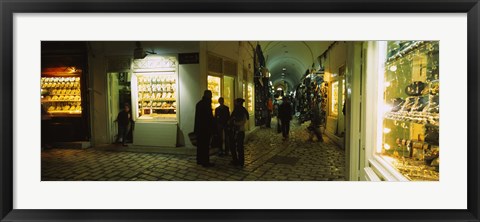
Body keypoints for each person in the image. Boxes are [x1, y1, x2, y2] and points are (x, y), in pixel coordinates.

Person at [194, 90, 216, 167]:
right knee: (205, 146)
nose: (211, 97)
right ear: (208, 96)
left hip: (199, 128)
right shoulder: (206, 105)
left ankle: (199, 160)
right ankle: (205, 162)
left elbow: (197, 118)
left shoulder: (199, 104)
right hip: (205, 129)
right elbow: (209, 118)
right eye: (210, 95)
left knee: (200, 145)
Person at [229, 98, 249, 167]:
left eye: (236, 102)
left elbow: (243, 121)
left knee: (239, 147)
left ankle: (240, 162)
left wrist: (234, 122)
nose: (234, 103)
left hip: (240, 131)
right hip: (234, 131)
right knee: (233, 146)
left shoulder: (242, 111)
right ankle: (235, 160)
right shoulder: (236, 110)